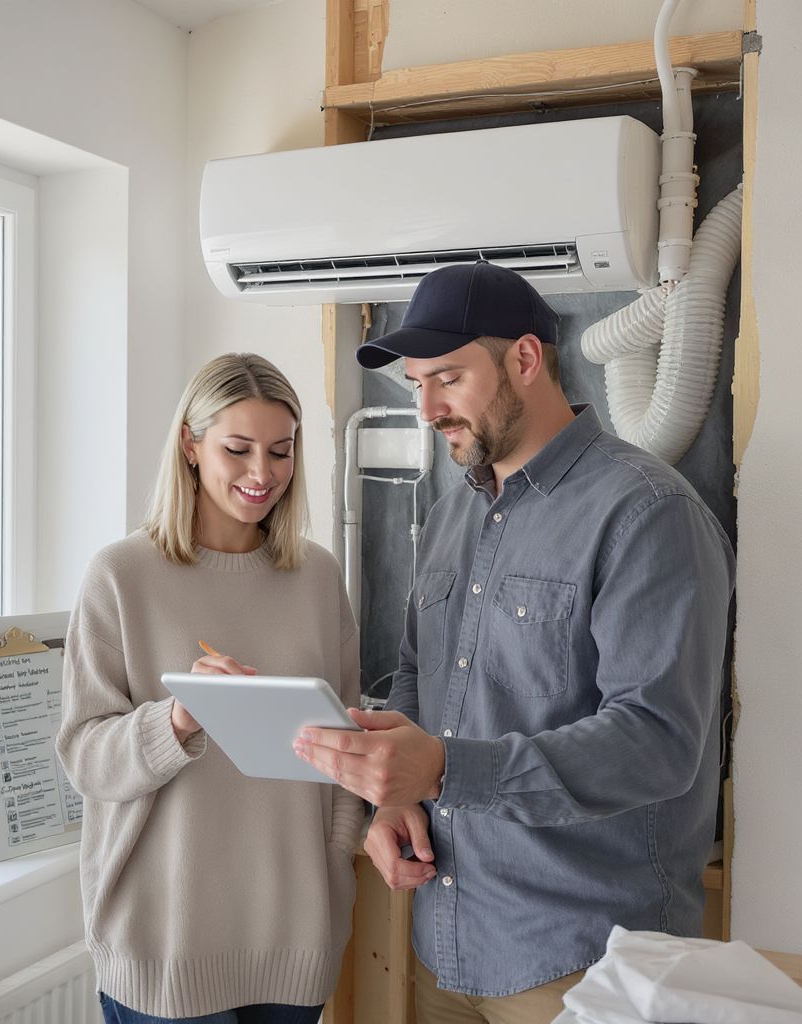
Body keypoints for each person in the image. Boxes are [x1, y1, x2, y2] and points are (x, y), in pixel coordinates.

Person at [293, 261, 735, 1024]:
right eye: (416, 384)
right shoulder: (450, 515)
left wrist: (444, 768)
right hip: (445, 944)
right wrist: (398, 800)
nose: (427, 408)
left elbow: (658, 742)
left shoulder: (647, 514)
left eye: (448, 378)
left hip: (585, 962)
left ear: (526, 359)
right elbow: (417, 673)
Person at [56, 353, 364, 1024]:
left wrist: (336, 860)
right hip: (163, 943)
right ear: (190, 446)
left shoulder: (316, 577)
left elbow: (346, 744)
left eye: (281, 451)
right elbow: (85, 757)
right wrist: (175, 721)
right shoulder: (120, 576)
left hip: (294, 938)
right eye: (238, 449)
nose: (263, 474)